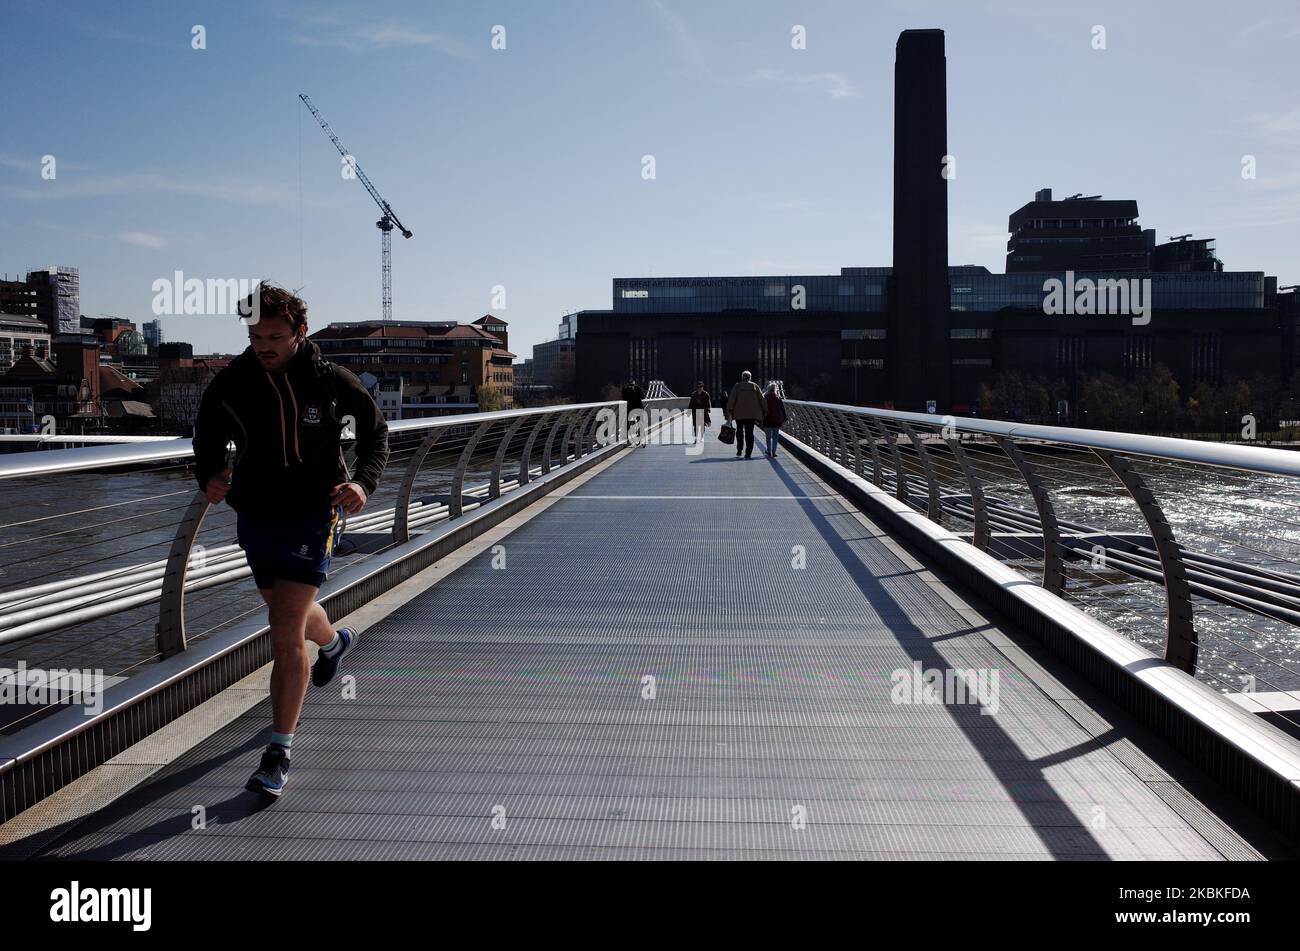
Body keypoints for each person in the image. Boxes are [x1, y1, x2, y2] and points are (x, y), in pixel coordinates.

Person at [193, 283, 389, 798]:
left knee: (282, 628)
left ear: (299, 334)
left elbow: (376, 431)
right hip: (256, 513)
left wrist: (362, 484)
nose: (263, 345)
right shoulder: (233, 381)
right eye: (255, 335)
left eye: (274, 336)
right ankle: (333, 641)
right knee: (292, 617)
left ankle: (278, 752)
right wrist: (209, 473)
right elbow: (206, 434)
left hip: (312, 512)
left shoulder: (328, 379)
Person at [724, 370, 766, 459]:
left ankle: (739, 449)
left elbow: (732, 399)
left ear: (742, 377)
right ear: (750, 378)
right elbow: (762, 400)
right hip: (751, 414)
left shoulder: (737, 386)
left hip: (739, 414)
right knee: (749, 433)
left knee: (739, 432)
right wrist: (765, 411)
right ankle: (748, 452)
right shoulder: (755, 386)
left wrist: (729, 411)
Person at [762, 382, 787, 458]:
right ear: (775, 389)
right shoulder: (778, 398)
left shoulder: (765, 397)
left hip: (767, 419)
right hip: (777, 420)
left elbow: (762, 408)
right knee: (775, 437)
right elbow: (782, 409)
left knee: (768, 437)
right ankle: (774, 452)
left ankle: (768, 451)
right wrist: (785, 418)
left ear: (768, 389)